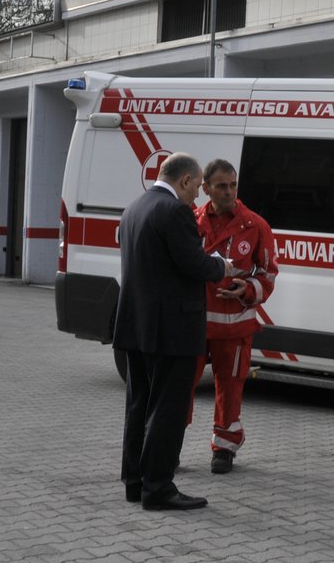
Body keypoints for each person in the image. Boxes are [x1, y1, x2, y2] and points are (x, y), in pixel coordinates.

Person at [113, 153, 241, 511]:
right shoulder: (174, 212)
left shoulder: (135, 207)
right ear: (184, 181)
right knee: (167, 409)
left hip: (136, 326)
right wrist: (223, 266)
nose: (198, 196)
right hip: (170, 330)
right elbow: (193, 263)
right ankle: (159, 488)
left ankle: (135, 482)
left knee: (139, 406)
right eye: (198, 187)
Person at [194, 159, 278, 475]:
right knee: (180, 388)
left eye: (233, 184)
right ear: (206, 189)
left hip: (235, 326)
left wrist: (247, 288)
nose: (228, 191)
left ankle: (225, 447)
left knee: (230, 388)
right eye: (220, 186)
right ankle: (170, 445)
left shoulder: (255, 225)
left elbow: (269, 273)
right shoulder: (190, 220)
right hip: (194, 325)